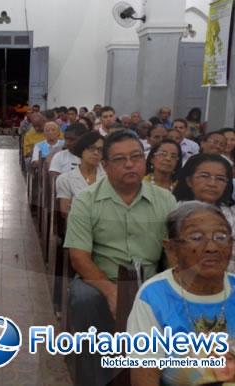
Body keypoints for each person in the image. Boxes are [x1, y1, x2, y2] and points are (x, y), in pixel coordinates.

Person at [63, 129, 177, 386]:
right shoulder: (86, 200)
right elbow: (79, 257)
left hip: (151, 279)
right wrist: (110, 291)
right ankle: (94, 378)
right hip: (100, 278)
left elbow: (173, 252)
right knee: (83, 298)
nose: (130, 164)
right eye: (120, 159)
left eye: (136, 157)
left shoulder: (165, 200)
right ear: (105, 165)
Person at [128, 202, 235, 386]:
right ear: (171, 249)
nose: (212, 247)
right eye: (196, 237)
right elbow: (144, 378)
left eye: (221, 236)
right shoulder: (154, 297)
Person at [173, 154, 235, 249]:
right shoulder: (173, 210)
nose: (212, 184)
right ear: (189, 181)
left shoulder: (231, 215)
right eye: (204, 176)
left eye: (220, 179)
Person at [55, 131, 105, 217]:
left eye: (100, 150)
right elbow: (65, 212)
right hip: (78, 226)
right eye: (91, 148)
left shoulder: (109, 178)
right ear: (81, 150)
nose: (96, 153)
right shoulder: (65, 179)